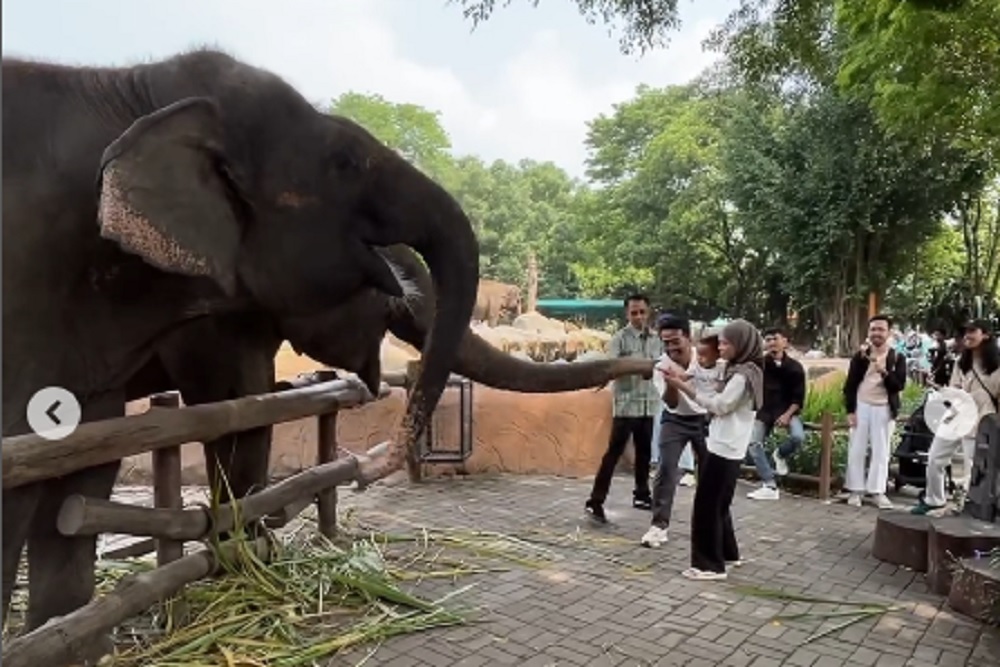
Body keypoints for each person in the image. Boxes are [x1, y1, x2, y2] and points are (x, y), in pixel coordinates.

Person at [660, 319, 762, 581]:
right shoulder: (741, 369)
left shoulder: (741, 376)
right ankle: (729, 554)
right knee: (720, 505)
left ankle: (709, 565)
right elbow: (710, 372)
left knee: (707, 506)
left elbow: (719, 406)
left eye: (726, 343)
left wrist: (682, 386)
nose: (721, 348)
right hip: (729, 445)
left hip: (724, 447)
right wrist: (689, 375)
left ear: (740, 344)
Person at [585, 294, 663, 522]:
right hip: (626, 406)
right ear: (627, 314)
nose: (638, 316)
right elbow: (612, 367)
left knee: (645, 453)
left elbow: (661, 366)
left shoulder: (657, 340)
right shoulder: (619, 339)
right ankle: (595, 501)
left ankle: (641, 494)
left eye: (642, 312)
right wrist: (642, 367)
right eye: (634, 312)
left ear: (649, 313)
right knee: (613, 453)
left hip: (648, 405)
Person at [911, 319, 1000, 515]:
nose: (967, 336)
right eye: (965, 331)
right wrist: (943, 392)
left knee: (975, 466)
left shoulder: (996, 365)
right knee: (935, 457)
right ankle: (934, 499)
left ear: (985, 335)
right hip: (956, 417)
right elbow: (955, 389)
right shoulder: (962, 362)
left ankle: (972, 505)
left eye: (972, 331)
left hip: (982, 421)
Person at [639, 320, 715, 548]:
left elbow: (712, 394)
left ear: (688, 338)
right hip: (676, 419)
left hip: (706, 418)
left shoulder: (705, 359)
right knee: (666, 468)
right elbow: (671, 403)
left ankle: (712, 526)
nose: (671, 348)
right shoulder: (660, 366)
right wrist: (671, 382)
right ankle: (659, 526)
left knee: (711, 472)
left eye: (675, 342)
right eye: (666, 343)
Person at [842, 314, 908, 509]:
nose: (876, 333)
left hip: (884, 407)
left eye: (881, 329)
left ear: (888, 333)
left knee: (881, 450)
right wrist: (850, 410)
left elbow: (898, 385)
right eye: (873, 329)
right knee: (857, 448)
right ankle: (855, 490)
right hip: (862, 405)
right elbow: (850, 385)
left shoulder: (897, 357)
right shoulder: (860, 356)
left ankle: (877, 491)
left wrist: (883, 371)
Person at [746, 328, 806, 501]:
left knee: (798, 437)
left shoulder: (795, 367)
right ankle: (769, 484)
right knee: (754, 444)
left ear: (785, 342)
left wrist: (787, 415)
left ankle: (779, 454)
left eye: (775, 339)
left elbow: (799, 396)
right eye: (768, 339)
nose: (772, 342)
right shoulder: (759, 364)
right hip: (764, 411)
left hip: (788, 409)